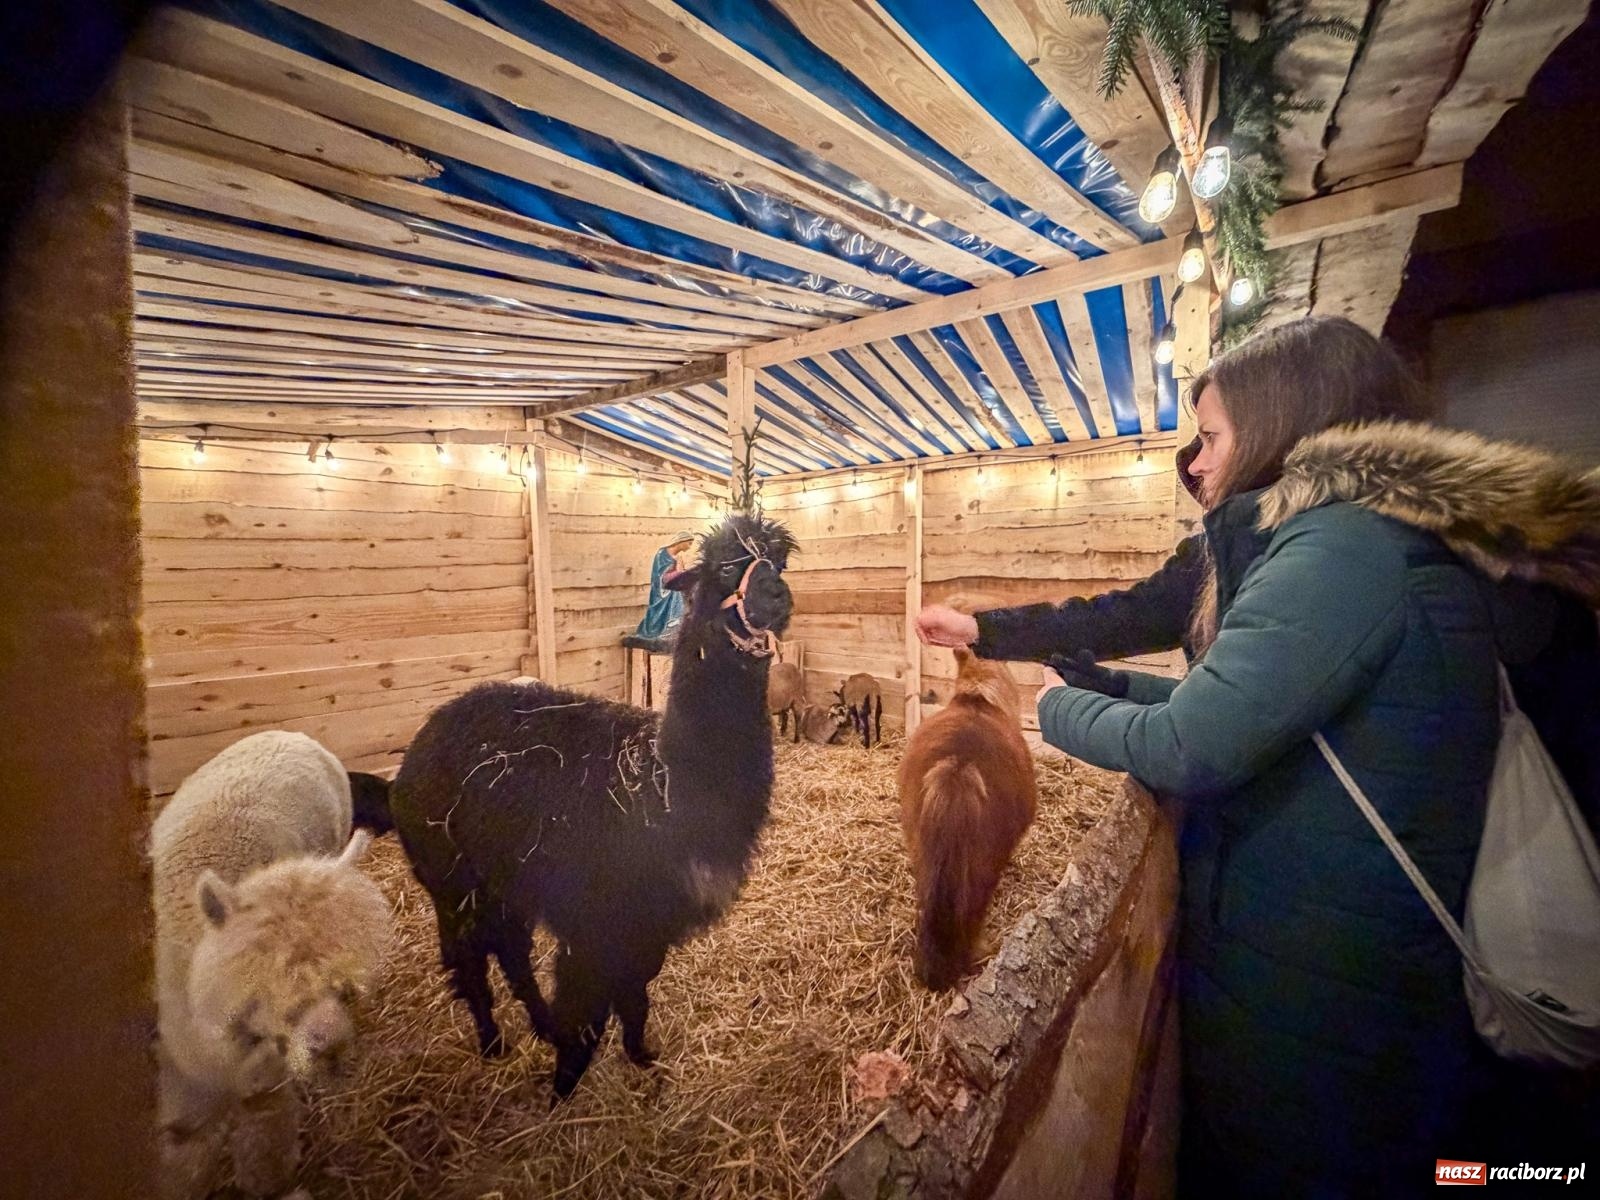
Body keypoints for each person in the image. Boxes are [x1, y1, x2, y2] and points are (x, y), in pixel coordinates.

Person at [920, 316, 1600, 1195]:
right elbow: (1241, 695)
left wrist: (1057, 711)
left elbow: (1194, 741)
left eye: (1209, 437)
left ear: (1286, 422)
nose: (1195, 464)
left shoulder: (1339, 548)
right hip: (1347, 962)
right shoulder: (1370, 541)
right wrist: (1053, 660)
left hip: (1322, 984)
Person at [633, 530, 696, 645]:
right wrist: (678, 570)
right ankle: (671, 626)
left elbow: (679, 574)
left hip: (672, 586)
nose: (690, 547)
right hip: (662, 590)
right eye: (689, 543)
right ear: (681, 541)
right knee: (676, 593)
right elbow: (661, 578)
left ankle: (679, 626)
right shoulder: (662, 554)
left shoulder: (677, 557)